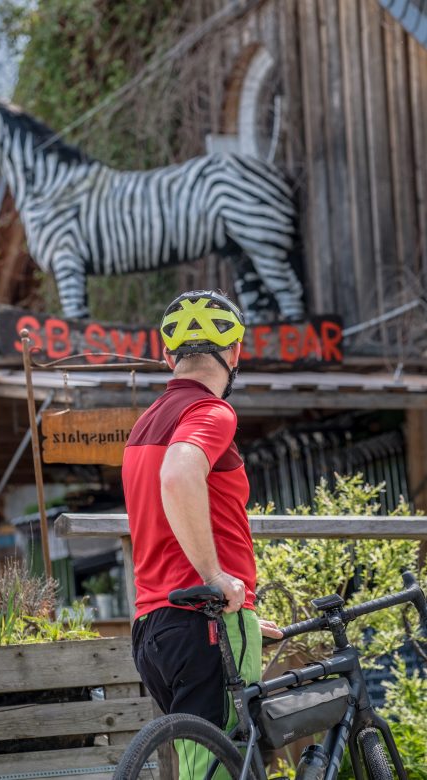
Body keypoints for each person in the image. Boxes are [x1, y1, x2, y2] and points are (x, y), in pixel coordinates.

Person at [121, 290, 282, 772]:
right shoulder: (211, 412)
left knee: (200, 766)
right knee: (221, 770)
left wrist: (245, 622)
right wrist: (216, 577)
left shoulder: (144, 424)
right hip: (204, 621)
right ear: (235, 353)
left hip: (156, 629)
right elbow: (178, 473)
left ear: (168, 356)